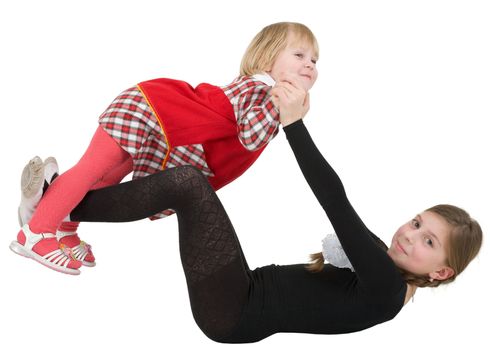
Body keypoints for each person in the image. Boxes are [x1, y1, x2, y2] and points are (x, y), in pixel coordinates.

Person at [13, 78, 482, 341]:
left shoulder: (386, 288)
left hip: (233, 310)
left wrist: (294, 125)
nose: (411, 234)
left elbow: (334, 200)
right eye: (419, 222)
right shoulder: (383, 269)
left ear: (441, 272)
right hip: (243, 289)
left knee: (189, 184)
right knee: (188, 185)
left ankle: (55, 206)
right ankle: (60, 204)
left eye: (428, 241)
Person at [10, 22, 319, 274]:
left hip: (159, 125)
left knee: (106, 178)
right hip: (151, 111)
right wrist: (287, 111)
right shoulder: (262, 91)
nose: (309, 65)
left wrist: (284, 108)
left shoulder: (262, 93)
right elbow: (249, 138)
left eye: (314, 61)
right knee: (92, 168)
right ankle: (36, 230)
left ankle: (63, 224)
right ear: (267, 59)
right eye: (300, 55)